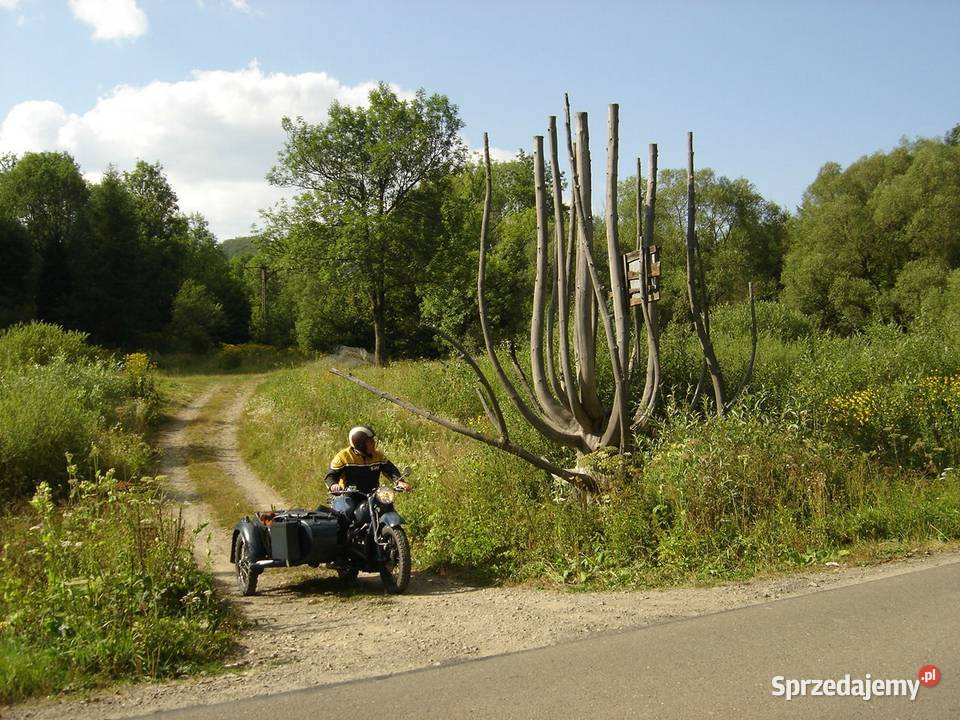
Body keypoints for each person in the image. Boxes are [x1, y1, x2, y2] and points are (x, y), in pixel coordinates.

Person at [324, 426, 410, 522]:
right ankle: (344, 536)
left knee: (386, 506)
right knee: (346, 513)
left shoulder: (378, 456)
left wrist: (400, 481)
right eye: (370, 442)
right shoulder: (343, 457)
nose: (374, 443)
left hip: (372, 495)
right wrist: (333, 485)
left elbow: (390, 470)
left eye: (373, 440)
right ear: (360, 444)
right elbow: (330, 476)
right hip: (348, 496)